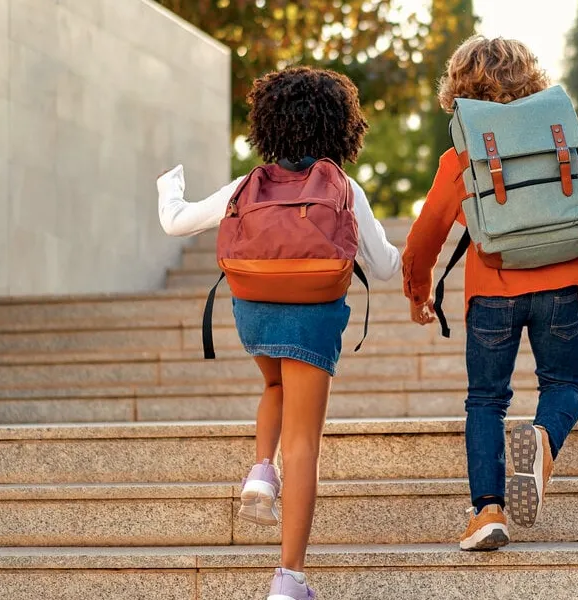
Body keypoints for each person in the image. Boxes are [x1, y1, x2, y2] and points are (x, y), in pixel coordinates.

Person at [157, 67, 401, 599]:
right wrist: (412, 259)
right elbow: (382, 267)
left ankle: (260, 470)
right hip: (313, 312)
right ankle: (288, 580)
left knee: (274, 387)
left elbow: (176, 221)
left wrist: (169, 183)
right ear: (342, 127)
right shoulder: (342, 184)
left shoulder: (251, 182)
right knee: (305, 444)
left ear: (268, 124)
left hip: (255, 309)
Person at [401, 36, 578, 552]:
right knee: (564, 387)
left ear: (458, 86)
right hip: (557, 289)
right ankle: (544, 441)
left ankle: (487, 512)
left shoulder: (458, 156)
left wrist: (418, 291)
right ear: (531, 78)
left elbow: (424, 235)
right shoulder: (558, 141)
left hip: (490, 295)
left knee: (486, 400)